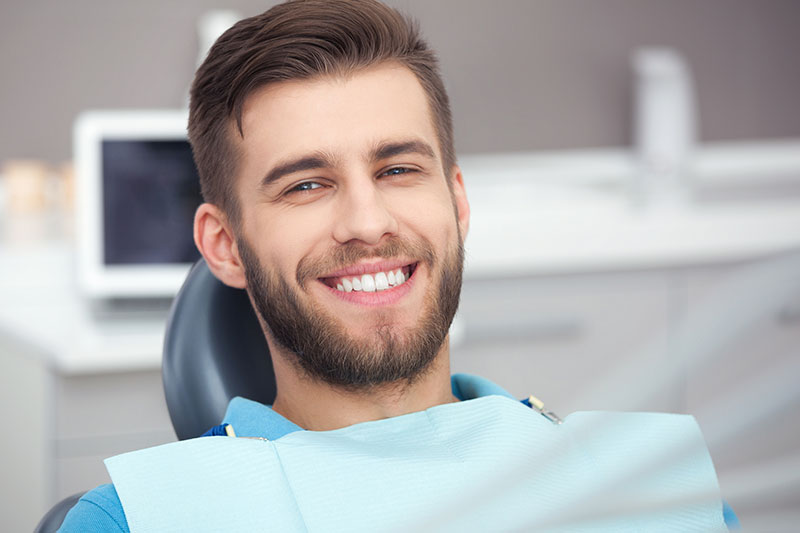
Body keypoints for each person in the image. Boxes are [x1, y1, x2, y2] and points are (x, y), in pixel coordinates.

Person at [59, 1, 737, 530]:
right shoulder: (140, 519)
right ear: (224, 246)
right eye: (305, 184)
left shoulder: (650, 489)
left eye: (399, 168)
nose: (367, 222)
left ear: (457, 199)